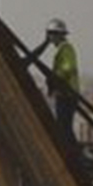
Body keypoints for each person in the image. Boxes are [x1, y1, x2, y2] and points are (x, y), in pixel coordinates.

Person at [28, 17, 81, 146]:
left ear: (58, 35)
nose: (50, 38)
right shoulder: (62, 49)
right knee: (63, 125)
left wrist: (54, 76)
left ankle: (73, 151)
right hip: (64, 92)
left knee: (64, 126)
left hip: (67, 93)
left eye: (51, 35)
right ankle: (73, 150)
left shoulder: (66, 48)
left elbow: (69, 67)